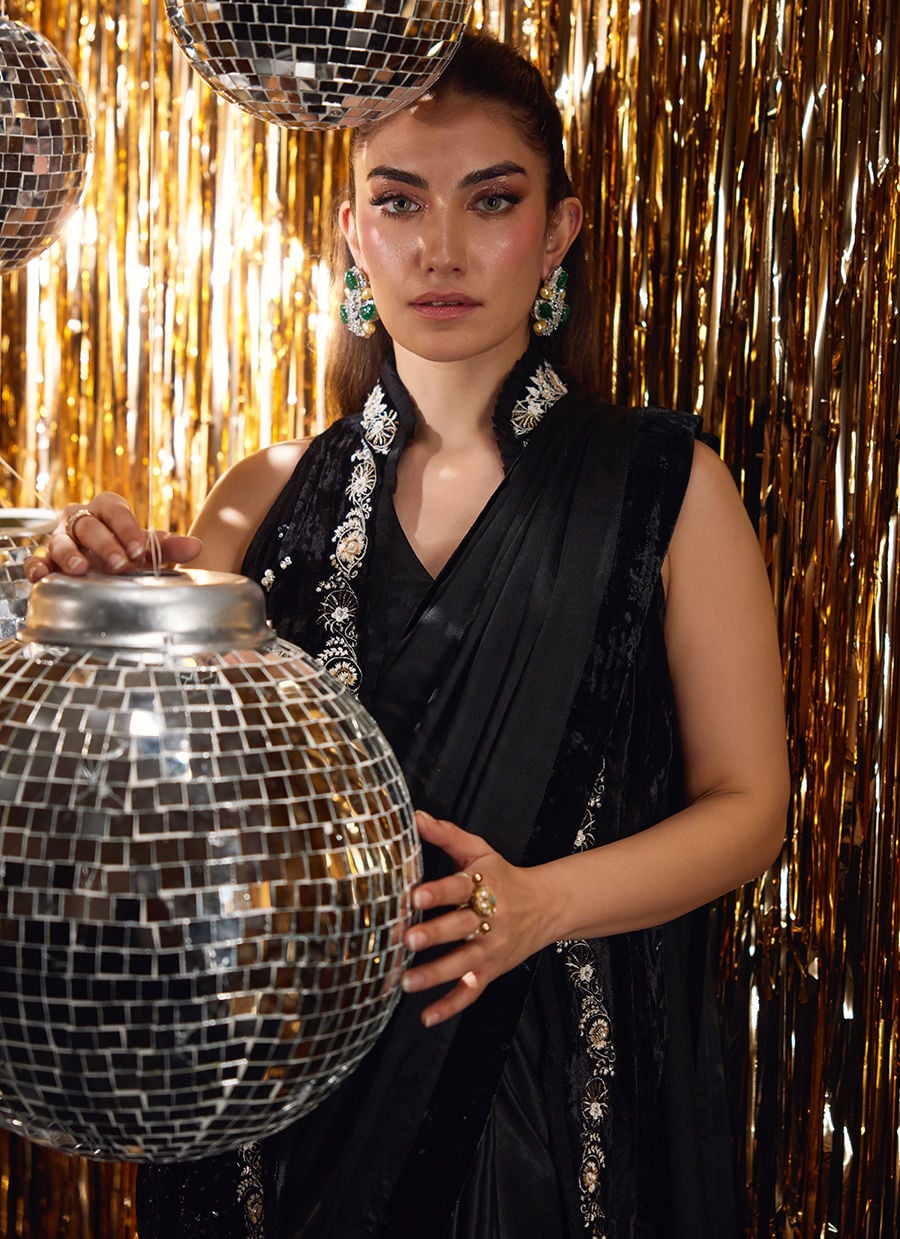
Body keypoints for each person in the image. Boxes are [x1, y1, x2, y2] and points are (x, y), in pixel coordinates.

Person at [26, 32, 789, 1239]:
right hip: (286, 1090)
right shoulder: (261, 496)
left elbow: (751, 808)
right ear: (350, 234)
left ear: (559, 232)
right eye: (399, 202)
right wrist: (92, 606)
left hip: (552, 1084)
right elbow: (150, 805)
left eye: (492, 200)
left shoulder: (665, 484)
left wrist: (539, 905)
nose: (440, 248)